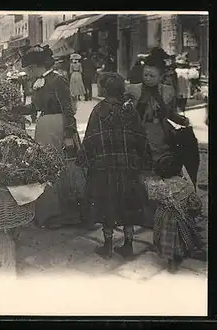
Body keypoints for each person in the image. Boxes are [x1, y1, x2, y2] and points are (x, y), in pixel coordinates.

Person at [126, 51, 204, 271]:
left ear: (161, 76)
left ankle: (166, 219)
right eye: (145, 74)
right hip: (141, 139)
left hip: (162, 138)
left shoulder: (168, 92)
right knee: (144, 177)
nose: (147, 78)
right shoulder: (134, 90)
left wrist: (182, 120)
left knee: (164, 178)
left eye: (152, 75)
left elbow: (171, 114)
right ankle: (149, 217)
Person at [77, 73, 151, 260]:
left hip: (104, 168)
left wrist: (83, 160)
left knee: (106, 204)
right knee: (128, 204)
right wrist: (142, 160)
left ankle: (108, 245)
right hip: (128, 168)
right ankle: (128, 245)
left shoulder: (98, 110)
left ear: (103, 89)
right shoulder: (130, 111)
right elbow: (141, 137)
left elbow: (91, 139)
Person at [14, 45, 84, 229]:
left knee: (60, 168)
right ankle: (49, 213)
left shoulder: (58, 80)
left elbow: (68, 109)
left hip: (58, 127)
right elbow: (35, 108)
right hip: (44, 127)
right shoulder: (39, 82)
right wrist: (15, 109)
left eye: (29, 70)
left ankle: (64, 213)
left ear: (36, 67)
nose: (28, 74)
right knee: (46, 168)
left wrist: (69, 134)